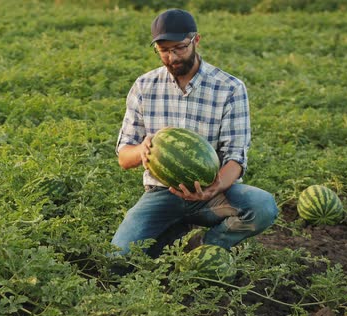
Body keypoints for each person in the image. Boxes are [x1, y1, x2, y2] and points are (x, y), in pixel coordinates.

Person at [111, 9, 278, 264]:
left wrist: (214, 187)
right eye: (163, 50)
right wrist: (142, 151)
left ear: (196, 40)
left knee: (263, 206)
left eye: (179, 48)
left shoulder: (230, 88)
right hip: (162, 194)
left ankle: (204, 247)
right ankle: (174, 233)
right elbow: (124, 155)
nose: (172, 57)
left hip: (213, 193)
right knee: (118, 260)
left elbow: (236, 157)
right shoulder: (144, 86)